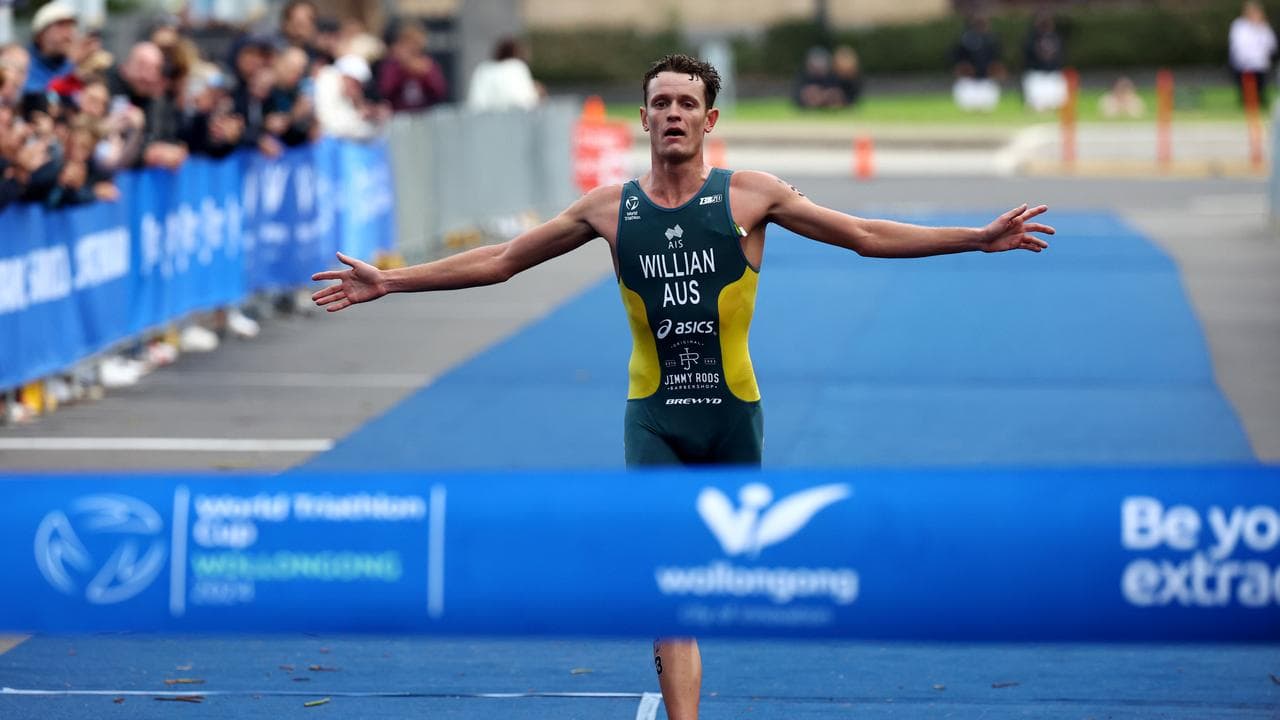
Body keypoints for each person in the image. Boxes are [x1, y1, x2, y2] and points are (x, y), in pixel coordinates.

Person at [311, 53, 1054, 720]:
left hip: (733, 419)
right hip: (655, 421)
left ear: (711, 119)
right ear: (643, 118)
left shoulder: (751, 197)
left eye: (686, 104)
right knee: (671, 587)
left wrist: (975, 237)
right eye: (661, 103)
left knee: (719, 581)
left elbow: (862, 234)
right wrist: (392, 280)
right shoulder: (609, 209)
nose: (673, 114)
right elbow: (503, 258)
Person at [377, 20, 448, 113]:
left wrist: (425, 75)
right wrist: (402, 69)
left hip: (426, 116)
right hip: (400, 117)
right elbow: (385, 91)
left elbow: (440, 91)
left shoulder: (428, 64)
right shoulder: (392, 65)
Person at [466, 36, 539, 112]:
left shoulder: (483, 70)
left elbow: (475, 103)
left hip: (485, 119)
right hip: (514, 119)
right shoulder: (517, 67)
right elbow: (528, 101)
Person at [952, 14, 1006, 112]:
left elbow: (997, 61)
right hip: (969, 81)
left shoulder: (992, 40)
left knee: (988, 106)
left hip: (986, 80)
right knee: (968, 106)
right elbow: (958, 60)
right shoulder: (965, 39)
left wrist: (997, 71)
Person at [1229, 1, 1277, 108]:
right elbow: (1238, 45)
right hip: (1244, 64)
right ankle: (1247, 103)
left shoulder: (1264, 26)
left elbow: (1271, 44)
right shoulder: (1239, 26)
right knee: (1246, 88)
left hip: (1261, 64)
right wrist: (1245, 59)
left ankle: (1259, 102)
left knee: (1260, 87)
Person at [1021, 10, 1067, 112]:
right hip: (1037, 75)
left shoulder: (1056, 37)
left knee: (1058, 103)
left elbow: (1059, 56)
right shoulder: (1031, 38)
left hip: (1052, 75)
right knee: (1037, 104)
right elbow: (1028, 56)